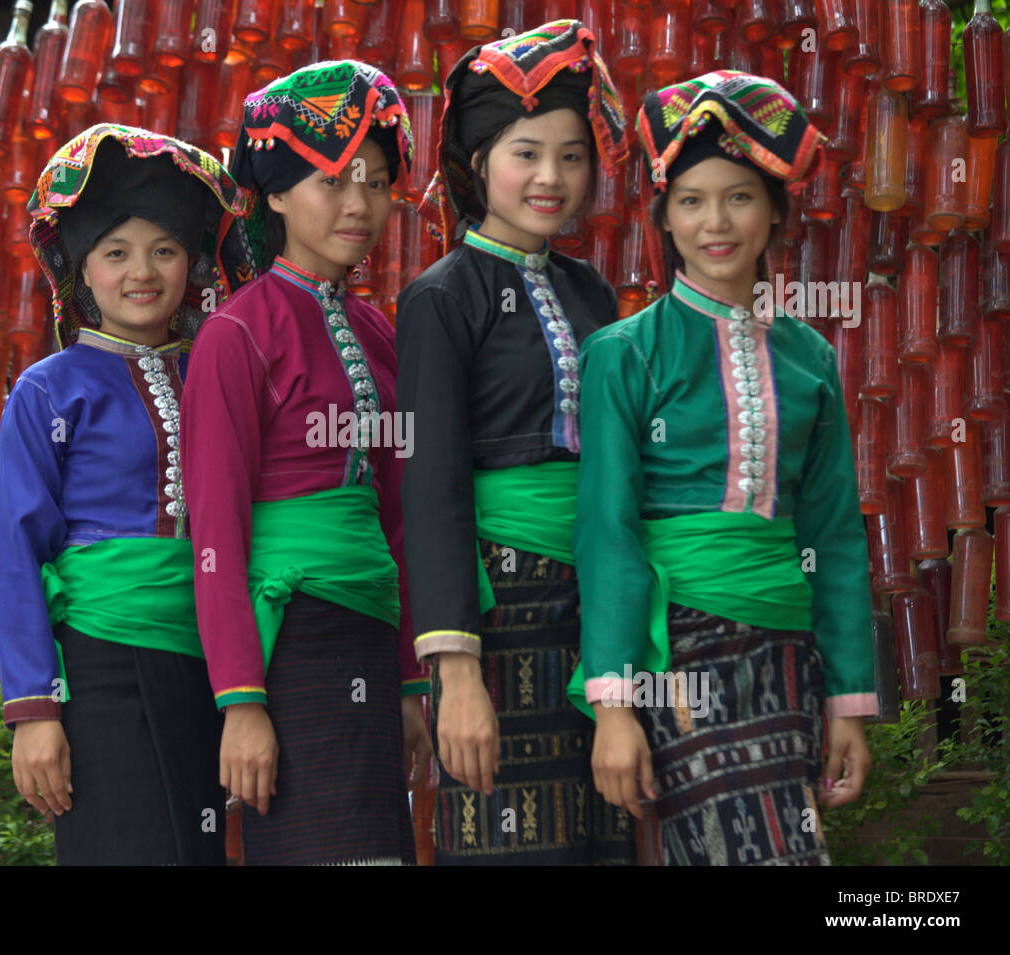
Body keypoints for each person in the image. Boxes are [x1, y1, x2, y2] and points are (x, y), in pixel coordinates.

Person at [570, 71, 876, 865]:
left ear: (775, 210)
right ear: (664, 217)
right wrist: (612, 702)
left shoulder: (810, 359)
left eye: (739, 197)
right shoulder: (621, 354)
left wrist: (847, 701)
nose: (716, 221)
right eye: (693, 200)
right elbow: (608, 533)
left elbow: (835, 534)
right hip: (679, 656)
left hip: (787, 653)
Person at [179, 60, 433, 866]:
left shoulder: (382, 333)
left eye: (377, 181)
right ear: (278, 195)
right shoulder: (237, 334)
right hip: (289, 647)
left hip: (370, 633)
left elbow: (399, 521)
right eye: (331, 180)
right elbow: (214, 530)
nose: (359, 204)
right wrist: (242, 701)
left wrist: (409, 682)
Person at [397, 19, 637, 865]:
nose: (551, 177)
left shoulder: (591, 291)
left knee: (605, 841)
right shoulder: (441, 297)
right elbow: (430, 488)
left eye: (572, 155)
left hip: (596, 611)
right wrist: (454, 671)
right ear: (475, 163)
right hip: (500, 620)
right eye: (526, 152)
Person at [0, 124, 256, 865]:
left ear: (193, 263)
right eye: (116, 252)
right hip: (102, 668)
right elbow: (18, 551)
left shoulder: (217, 371)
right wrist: (36, 711)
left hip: (220, 664)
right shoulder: (46, 389)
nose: (142, 271)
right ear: (81, 269)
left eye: (164, 250)